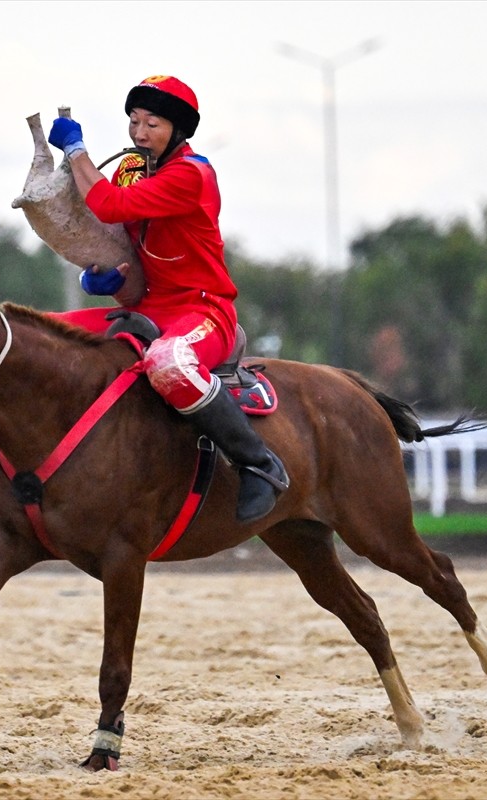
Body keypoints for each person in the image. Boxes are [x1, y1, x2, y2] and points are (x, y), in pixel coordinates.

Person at [46, 74, 288, 523]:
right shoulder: (131, 171)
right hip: (146, 310)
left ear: (178, 129)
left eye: (151, 124)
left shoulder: (192, 174)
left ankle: (260, 463)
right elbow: (120, 252)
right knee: (45, 333)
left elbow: (108, 206)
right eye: (134, 121)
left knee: (168, 362)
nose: (138, 133)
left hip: (205, 311)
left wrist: (76, 150)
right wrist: (99, 282)